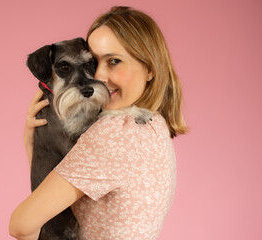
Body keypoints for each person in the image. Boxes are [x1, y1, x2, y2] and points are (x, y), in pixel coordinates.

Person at [10, 6, 188, 240]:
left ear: (150, 69)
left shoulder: (113, 133)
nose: (99, 76)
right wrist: (36, 146)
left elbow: (21, 225)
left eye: (114, 61)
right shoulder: (153, 121)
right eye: (96, 62)